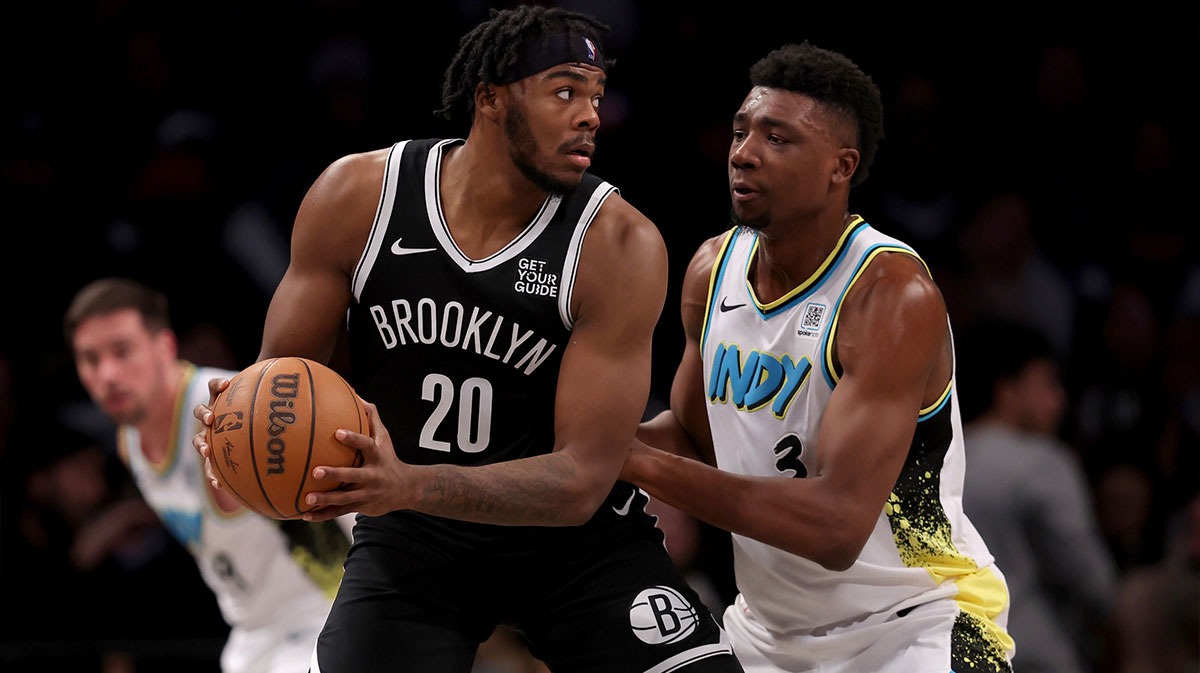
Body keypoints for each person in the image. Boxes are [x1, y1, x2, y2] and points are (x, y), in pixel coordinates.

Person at [192, 6, 741, 673]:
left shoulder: (618, 243)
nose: (591, 114)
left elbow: (580, 482)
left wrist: (409, 484)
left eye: (596, 96)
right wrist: (239, 426)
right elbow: (286, 378)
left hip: (574, 545)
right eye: (566, 91)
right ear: (489, 97)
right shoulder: (358, 199)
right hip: (413, 542)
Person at [618, 43, 1015, 673]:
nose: (743, 153)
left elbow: (837, 529)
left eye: (777, 139)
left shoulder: (888, 294)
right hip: (767, 631)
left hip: (917, 624)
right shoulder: (711, 268)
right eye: (741, 131)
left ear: (841, 166)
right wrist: (592, 440)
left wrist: (627, 459)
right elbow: (698, 443)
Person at [65, 277, 353, 673]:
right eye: (90, 358)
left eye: (122, 351)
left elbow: (353, 494)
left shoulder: (239, 411)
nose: (108, 374)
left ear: (164, 347)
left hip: (327, 617)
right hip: (252, 632)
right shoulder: (128, 441)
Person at [959, 319, 1116, 673]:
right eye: (1047, 383)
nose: (1059, 400)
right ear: (1006, 389)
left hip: (947, 648)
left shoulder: (941, 457)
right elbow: (1088, 574)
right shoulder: (1044, 461)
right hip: (1034, 652)